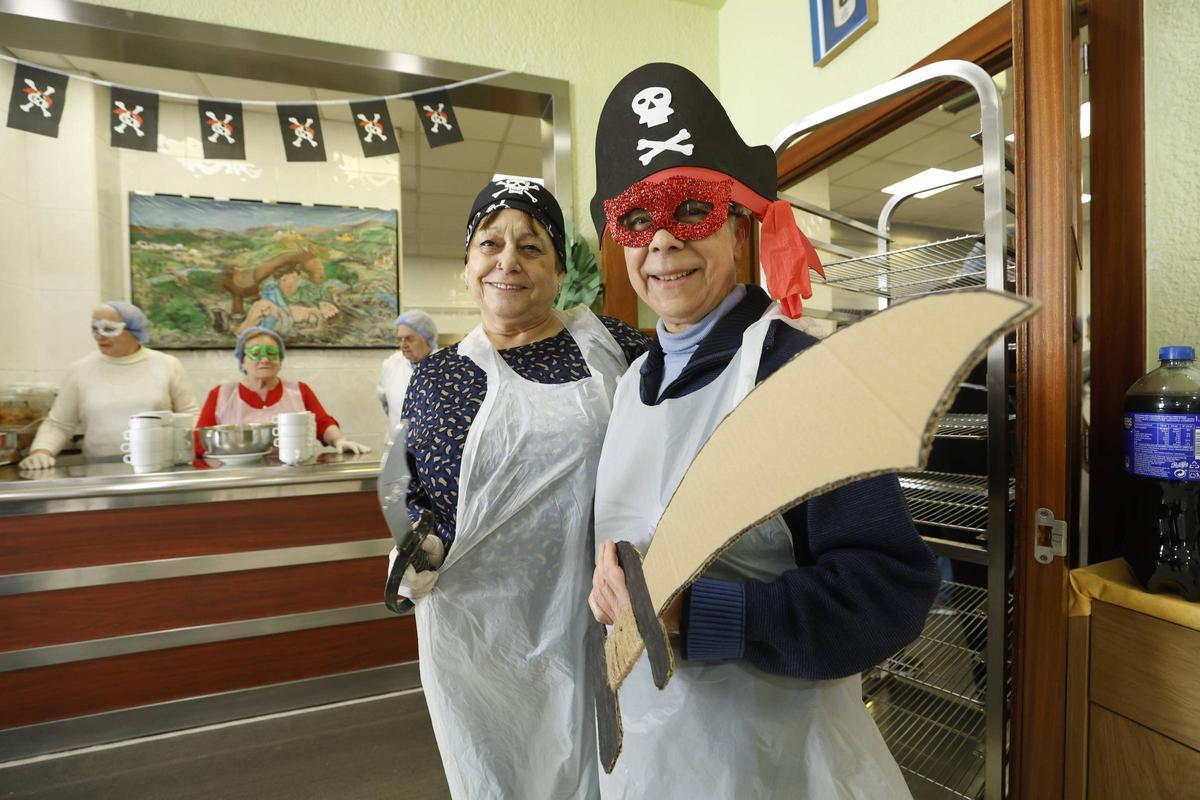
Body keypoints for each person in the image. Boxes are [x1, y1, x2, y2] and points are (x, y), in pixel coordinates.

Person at [586, 63, 940, 798]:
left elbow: (889, 591)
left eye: (692, 211)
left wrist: (710, 614)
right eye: (636, 219)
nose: (661, 244)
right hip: (655, 757)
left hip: (781, 763)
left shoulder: (800, 380)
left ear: (742, 223)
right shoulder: (630, 388)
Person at [394, 179, 650, 799]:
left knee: (619, 774)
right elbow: (418, 496)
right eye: (490, 244)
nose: (507, 260)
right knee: (503, 775)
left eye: (531, 248)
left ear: (560, 272)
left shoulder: (622, 349)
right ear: (467, 267)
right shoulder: (435, 378)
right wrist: (413, 549)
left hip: (604, 615)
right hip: (483, 637)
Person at [20, 302, 198, 469]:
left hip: (159, 465)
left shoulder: (167, 365)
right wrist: (41, 451)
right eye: (95, 329)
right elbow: (59, 424)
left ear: (134, 330)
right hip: (99, 469)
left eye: (109, 329)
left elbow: (191, 415)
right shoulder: (80, 370)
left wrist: (192, 453)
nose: (100, 336)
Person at [194, 326, 368, 456]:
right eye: (256, 353)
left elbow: (322, 423)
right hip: (236, 481)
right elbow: (200, 441)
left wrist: (339, 440)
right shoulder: (221, 395)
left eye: (271, 353)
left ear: (280, 360)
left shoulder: (299, 390)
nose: (264, 359)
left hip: (293, 476)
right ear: (243, 361)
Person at [376, 309, 438, 433]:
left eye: (409, 339)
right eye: (400, 339)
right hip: (400, 444)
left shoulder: (446, 366)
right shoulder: (391, 364)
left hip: (437, 447)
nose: (403, 345)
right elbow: (384, 401)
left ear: (427, 338)